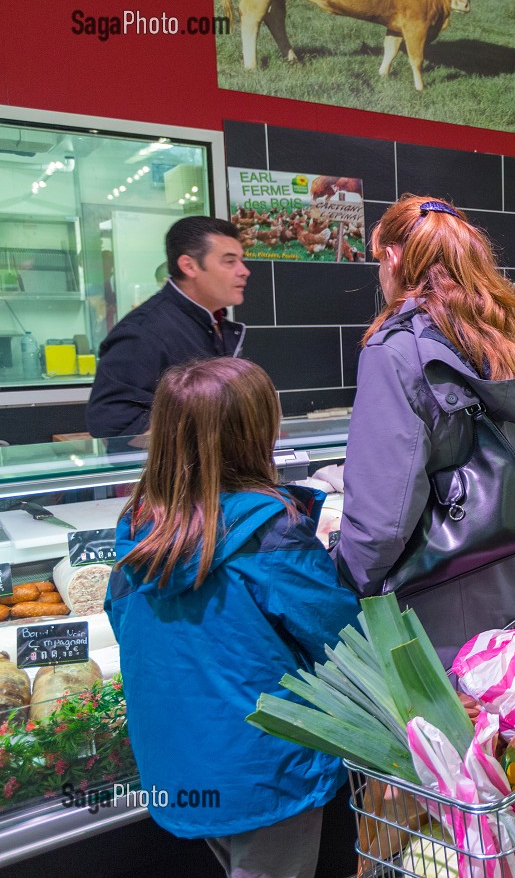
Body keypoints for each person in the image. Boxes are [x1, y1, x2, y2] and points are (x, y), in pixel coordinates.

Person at [105, 357, 359, 878]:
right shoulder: (271, 535)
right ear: (257, 433)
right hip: (265, 770)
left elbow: (123, 623)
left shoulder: (141, 535)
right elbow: (341, 637)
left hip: (179, 768)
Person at [334, 196, 515, 665]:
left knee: (445, 740)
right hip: (511, 604)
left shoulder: (393, 351)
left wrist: (345, 582)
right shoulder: (508, 341)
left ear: (393, 257)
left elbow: (380, 527)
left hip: (431, 625)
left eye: (378, 262)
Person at [87, 216, 250, 438]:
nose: (244, 271)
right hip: (179, 472)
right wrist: (202, 430)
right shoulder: (144, 331)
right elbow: (112, 425)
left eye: (241, 260)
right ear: (189, 266)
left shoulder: (216, 324)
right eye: (229, 261)